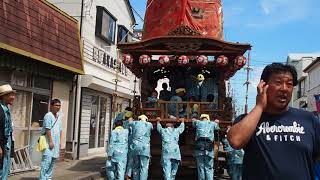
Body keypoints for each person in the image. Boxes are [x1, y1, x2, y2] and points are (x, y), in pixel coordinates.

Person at [227, 63, 320, 180]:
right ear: (263, 86)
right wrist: (259, 106)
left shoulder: (308, 119)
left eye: (289, 84)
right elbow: (236, 141)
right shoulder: (249, 120)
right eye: (278, 82)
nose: (284, 88)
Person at [39, 99, 63, 180]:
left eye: (59, 105)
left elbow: (60, 130)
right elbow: (47, 128)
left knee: (52, 162)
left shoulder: (59, 116)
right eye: (56, 105)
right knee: (46, 162)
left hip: (56, 142)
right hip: (48, 142)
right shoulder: (48, 115)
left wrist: (60, 142)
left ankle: (48, 178)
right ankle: (42, 178)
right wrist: (50, 141)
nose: (58, 107)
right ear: (51, 106)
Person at [192, 114, 220, 180]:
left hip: (199, 150)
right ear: (208, 118)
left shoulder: (198, 122)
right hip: (209, 149)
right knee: (209, 167)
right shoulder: (212, 123)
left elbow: (193, 124)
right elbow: (217, 128)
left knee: (200, 168)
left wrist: (194, 120)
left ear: (201, 118)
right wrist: (217, 122)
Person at [129, 115, 153, 180]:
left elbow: (129, 122)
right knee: (144, 167)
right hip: (145, 149)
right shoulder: (149, 124)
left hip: (135, 148)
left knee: (135, 166)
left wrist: (131, 119)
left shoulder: (134, 123)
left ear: (139, 119)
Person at [0, 84, 16, 179]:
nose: (13, 97)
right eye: (10, 95)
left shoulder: (6, 109)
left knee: (5, 167)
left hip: (7, 143)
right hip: (2, 144)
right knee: (1, 169)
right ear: (3, 96)